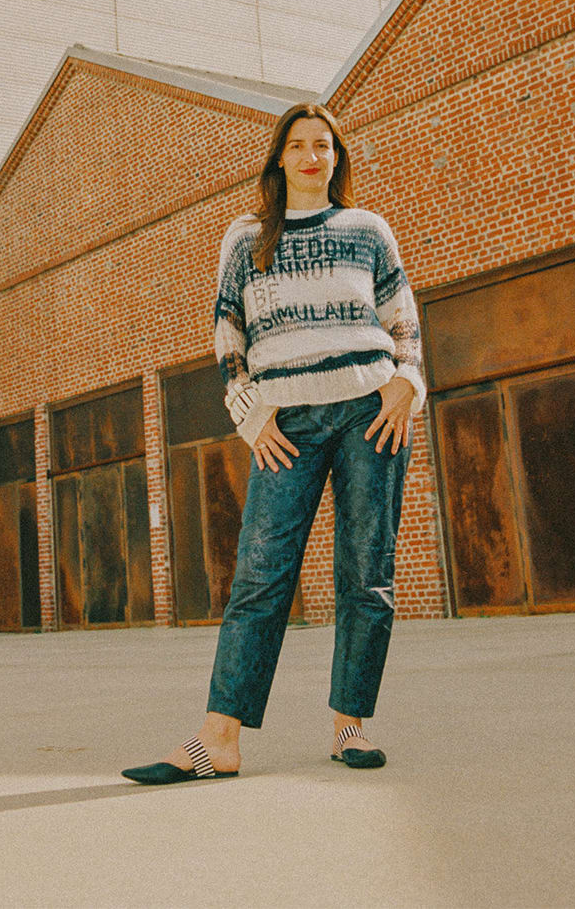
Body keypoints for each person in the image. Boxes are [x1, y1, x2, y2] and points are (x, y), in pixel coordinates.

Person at [122, 101, 427, 783]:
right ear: (280, 158)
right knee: (260, 576)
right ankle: (217, 740)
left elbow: (401, 314)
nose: (313, 155)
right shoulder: (247, 236)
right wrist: (248, 411)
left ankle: (350, 727)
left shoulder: (368, 230)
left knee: (365, 572)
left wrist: (407, 381)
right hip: (285, 422)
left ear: (337, 157)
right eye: (299, 145)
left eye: (325, 144)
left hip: (368, 412)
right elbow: (226, 326)